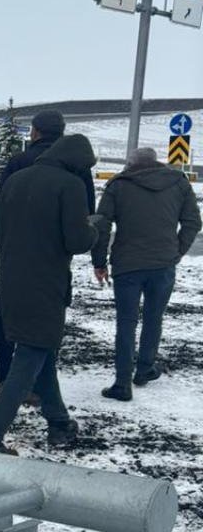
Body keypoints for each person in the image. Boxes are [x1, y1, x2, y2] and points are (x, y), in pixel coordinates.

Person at [0, 134, 98, 454]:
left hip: (10, 280)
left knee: (41, 352)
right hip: (46, 284)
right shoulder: (70, 186)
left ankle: (58, 421)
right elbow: (77, 241)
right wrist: (96, 229)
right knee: (29, 358)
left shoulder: (16, 179)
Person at [92, 148, 201, 401]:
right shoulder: (178, 183)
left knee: (126, 322)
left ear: (130, 164)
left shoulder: (118, 185)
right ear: (156, 162)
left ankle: (122, 383)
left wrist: (99, 261)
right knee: (154, 317)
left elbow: (102, 224)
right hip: (163, 264)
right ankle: (144, 370)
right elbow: (193, 222)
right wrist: (176, 251)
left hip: (127, 265)